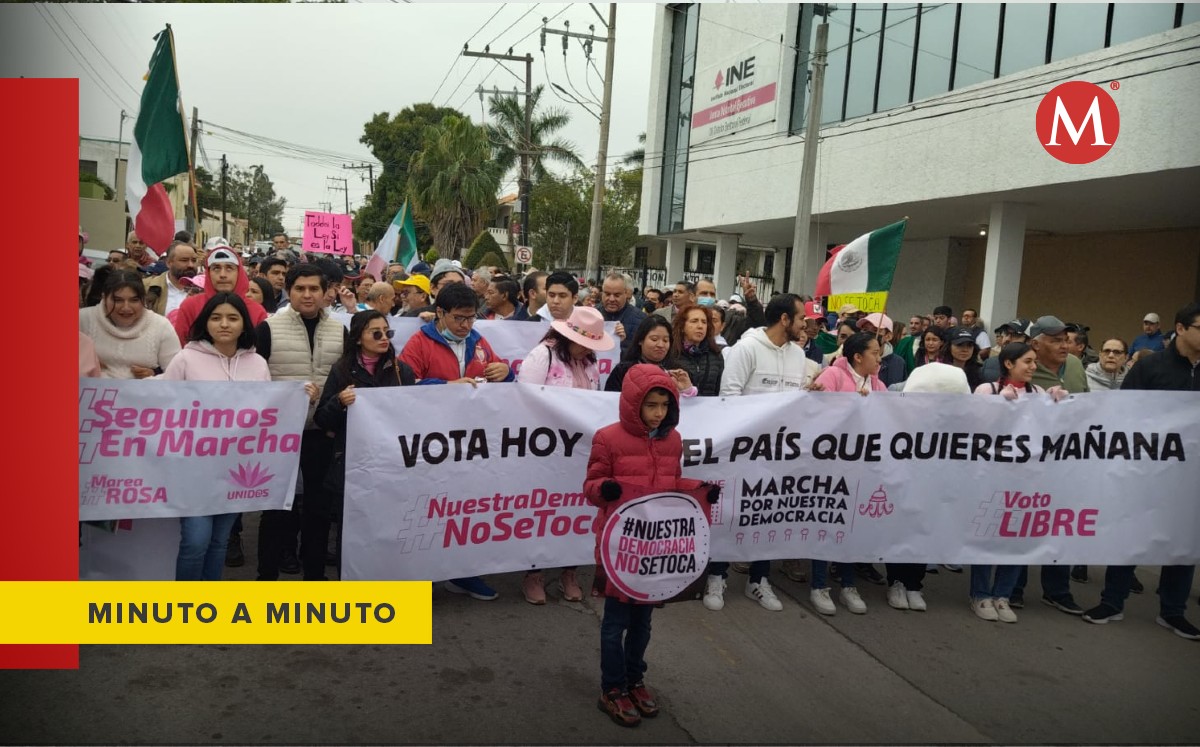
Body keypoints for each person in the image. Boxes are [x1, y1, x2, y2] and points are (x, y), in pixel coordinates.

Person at [583, 364, 715, 727]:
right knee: (614, 623)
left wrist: (700, 491)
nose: (658, 412)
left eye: (663, 405)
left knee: (643, 623)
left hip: (655, 549)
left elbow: (673, 484)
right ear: (632, 405)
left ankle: (634, 680)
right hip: (619, 548)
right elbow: (592, 485)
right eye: (651, 405)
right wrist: (604, 490)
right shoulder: (607, 438)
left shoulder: (672, 440)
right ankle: (612, 688)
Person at [1082, 303, 1200, 641]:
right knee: (1130, 534)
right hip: (1146, 470)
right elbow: (1126, 413)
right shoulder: (1151, 367)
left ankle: (1173, 611)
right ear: (1180, 328)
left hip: (1190, 477)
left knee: (1183, 542)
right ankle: (1112, 601)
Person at [706, 294, 822, 613]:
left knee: (767, 514)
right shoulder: (746, 349)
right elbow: (729, 396)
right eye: (801, 319)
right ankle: (717, 575)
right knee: (731, 514)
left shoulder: (798, 356)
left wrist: (807, 395)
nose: (805, 325)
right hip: (743, 452)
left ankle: (759, 580)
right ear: (784, 320)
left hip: (779, 454)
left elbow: (791, 401)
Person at [400, 283, 512, 602]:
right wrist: (447, 386)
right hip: (429, 442)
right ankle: (420, 578)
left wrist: (506, 371)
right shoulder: (419, 342)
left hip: (471, 443)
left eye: (470, 318)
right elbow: (402, 386)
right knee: (427, 510)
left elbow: (504, 379)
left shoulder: (477, 340)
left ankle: (463, 573)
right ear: (440, 313)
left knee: (465, 509)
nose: (465, 325)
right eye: (459, 319)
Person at [162, 292, 271, 581]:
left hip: (236, 469)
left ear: (244, 325)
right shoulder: (185, 359)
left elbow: (268, 413)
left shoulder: (258, 363)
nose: (224, 324)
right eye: (216, 317)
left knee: (219, 541)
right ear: (205, 322)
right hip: (192, 470)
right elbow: (163, 408)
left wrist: (300, 397)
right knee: (195, 542)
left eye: (233, 318)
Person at [517, 306, 615, 604]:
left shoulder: (588, 364)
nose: (587, 348)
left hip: (579, 451)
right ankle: (534, 573)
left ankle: (568, 571)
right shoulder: (542, 356)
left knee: (574, 512)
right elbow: (524, 402)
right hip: (544, 451)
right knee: (542, 511)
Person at [254, 263, 345, 582]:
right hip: (280, 435)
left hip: (321, 433)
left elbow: (345, 379)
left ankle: (315, 577)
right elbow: (256, 380)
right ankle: (266, 578)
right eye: (300, 289)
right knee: (277, 509)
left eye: (314, 289)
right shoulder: (268, 328)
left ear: (325, 293)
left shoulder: (339, 330)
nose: (307, 295)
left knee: (319, 511)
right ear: (288, 292)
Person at [969, 342, 1066, 623]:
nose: (1033, 367)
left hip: (1026, 480)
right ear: (1009, 364)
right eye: (1028, 361)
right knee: (987, 536)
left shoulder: (1038, 394)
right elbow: (973, 430)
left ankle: (1003, 594)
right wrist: (1000, 409)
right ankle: (980, 593)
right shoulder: (988, 391)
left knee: (1017, 537)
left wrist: (1058, 407)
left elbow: (1048, 433)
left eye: (1035, 361)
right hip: (992, 477)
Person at [314, 310, 416, 573]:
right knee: (351, 532)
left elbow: (413, 415)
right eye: (376, 333)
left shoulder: (401, 370)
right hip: (353, 465)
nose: (384, 338)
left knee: (390, 528)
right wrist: (339, 401)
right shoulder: (342, 370)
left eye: (388, 333)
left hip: (392, 464)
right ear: (358, 338)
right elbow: (322, 419)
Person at [1010, 314, 1089, 614]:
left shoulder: (1077, 366)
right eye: (1055, 340)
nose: (1064, 345)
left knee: (1061, 526)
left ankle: (1057, 590)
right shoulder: (1024, 368)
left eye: (1066, 340)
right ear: (1035, 343)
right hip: (1028, 462)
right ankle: (1014, 587)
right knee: (1023, 523)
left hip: (1067, 462)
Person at [805, 332, 888, 615]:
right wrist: (854, 402)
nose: (880, 358)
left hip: (861, 467)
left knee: (852, 526)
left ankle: (848, 583)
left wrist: (872, 405)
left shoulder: (878, 384)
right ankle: (819, 585)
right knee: (825, 523)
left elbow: (890, 418)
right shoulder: (833, 376)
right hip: (829, 466)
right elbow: (818, 414)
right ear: (857, 356)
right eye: (875, 352)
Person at [79, 270, 181, 379]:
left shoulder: (161, 326)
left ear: (143, 298)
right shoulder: (83, 319)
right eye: (117, 300)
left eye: (134, 300)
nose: (126, 308)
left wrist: (155, 375)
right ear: (104, 298)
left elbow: (176, 374)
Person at [172, 248, 269, 346]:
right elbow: (180, 344)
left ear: (239, 272)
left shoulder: (257, 311)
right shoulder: (190, 306)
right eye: (216, 268)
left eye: (229, 268)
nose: (222, 275)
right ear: (208, 273)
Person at [604, 316, 694, 396]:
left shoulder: (678, 373)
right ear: (640, 340)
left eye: (666, 340)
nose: (661, 345)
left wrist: (687, 390)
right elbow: (611, 402)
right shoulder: (622, 371)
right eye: (654, 339)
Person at [671, 305, 724, 397]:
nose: (700, 326)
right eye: (694, 321)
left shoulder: (715, 354)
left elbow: (719, 391)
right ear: (682, 326)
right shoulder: (671, 353)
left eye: (704, 322)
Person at [144, 240, 198, 316]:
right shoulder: (147, 286)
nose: (191, 265)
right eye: (184, 260)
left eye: (194, 260)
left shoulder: (203, 289)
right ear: (169, 263)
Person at [599, 272, 646, 355]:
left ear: (626, 294)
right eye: (607, 294)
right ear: (602, 293)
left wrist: (621, 343)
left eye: (617, 295)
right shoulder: (592, 315)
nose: (612, 299)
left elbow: (641, 354)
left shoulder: (641, 319)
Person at [946, 326, 984, 391]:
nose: (965, 350)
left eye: (969, 345)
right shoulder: (940, 369)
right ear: (949, 346)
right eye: (960, 345)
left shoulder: (979, 372)